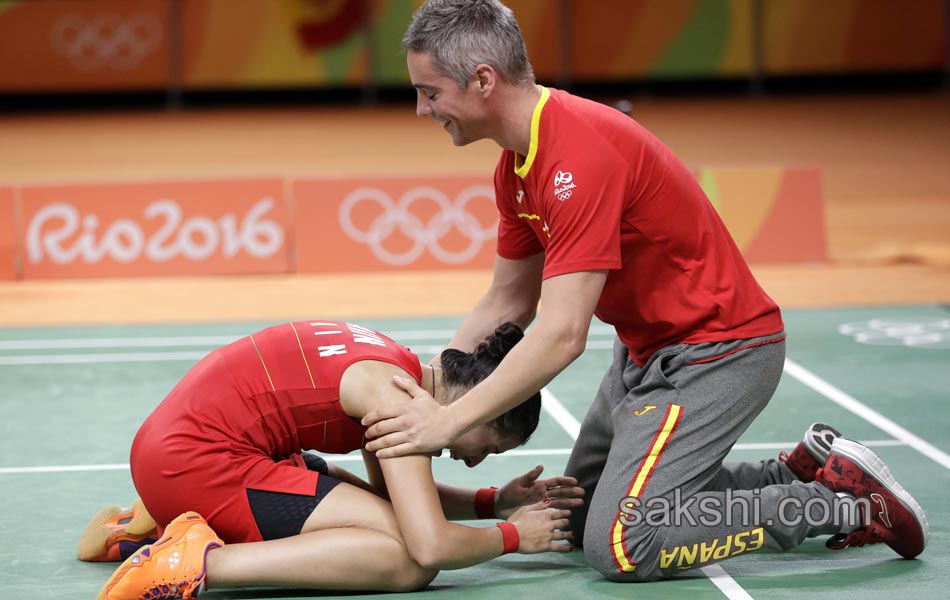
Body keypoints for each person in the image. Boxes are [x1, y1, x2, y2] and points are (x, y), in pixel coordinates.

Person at [359, 0, 929, 582]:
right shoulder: (516, 166)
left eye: (429, 92)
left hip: (718, 354)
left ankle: (847, 505)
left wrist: (446, 426)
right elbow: (508, 303)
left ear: (482, 80)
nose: (421, 108)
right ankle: (798, 473)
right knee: (573, 516)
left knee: (625, 543)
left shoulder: (576, 156)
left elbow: (559, 336)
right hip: (645, 353)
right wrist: (429, 390)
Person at [92, 320, 584, 599]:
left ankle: (149, 523)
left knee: (359, 500)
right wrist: (515, 536)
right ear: (483, 405)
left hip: (175, 450)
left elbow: (392, 498)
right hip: (197, 465)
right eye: (489, 448)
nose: (474, 462)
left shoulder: (396, 366)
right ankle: (195, 561)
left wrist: (493, 501)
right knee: (405, 565)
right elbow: (428, 546)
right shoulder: (401, 405)